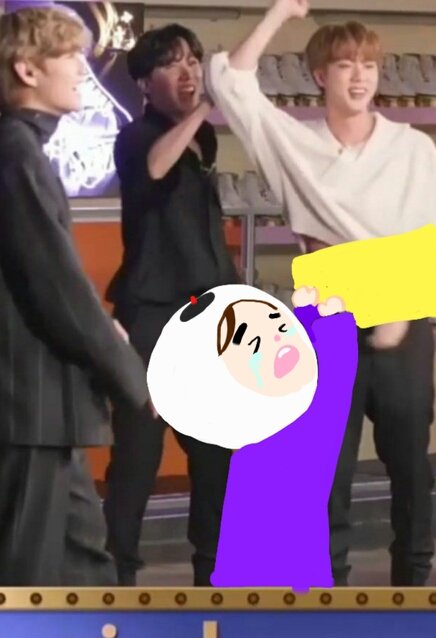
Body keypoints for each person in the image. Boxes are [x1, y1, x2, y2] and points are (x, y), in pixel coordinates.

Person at [205, 0, 436, 586]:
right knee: (325, 472)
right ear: (320, 75)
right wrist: (278, 14)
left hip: (398, 319)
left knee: (410, 467)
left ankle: (413, 591)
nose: (359, 76)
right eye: (345, 65)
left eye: (369, 64)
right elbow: (230, 81)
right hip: (327, 319)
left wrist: (390, 306)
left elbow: (431, 241)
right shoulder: (295, 142)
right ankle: (328, 595)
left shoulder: (412, 147)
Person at [0, 6, 150, 586]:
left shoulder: (21, 150)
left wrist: (106, 332)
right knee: (27, 578)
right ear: (27, 70)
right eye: (69, 56)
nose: (81, 71)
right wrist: (134, 380)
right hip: (27, 410)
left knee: (86, 570)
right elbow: (53, 285)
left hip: (46, 411)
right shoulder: (15, 151)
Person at [103, 24, 240, 587]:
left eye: (194, 61)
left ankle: (212, 578)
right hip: (151, 315)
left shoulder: (204, 139)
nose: (188, 72)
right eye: (172, 64)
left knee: (217, 452)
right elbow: (157, 168)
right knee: (138, 455)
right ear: (143, 82)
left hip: (206, 311)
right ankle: (116, 582)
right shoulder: (134, 137)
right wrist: (204, 105)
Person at [147, 284, 358, 591]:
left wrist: (316, 320)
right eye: (253, 345)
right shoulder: (261, 439)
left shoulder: (291, 427)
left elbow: (329, 373)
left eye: (279, 325)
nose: (275, 339)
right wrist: (329, 326)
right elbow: (334, 372)